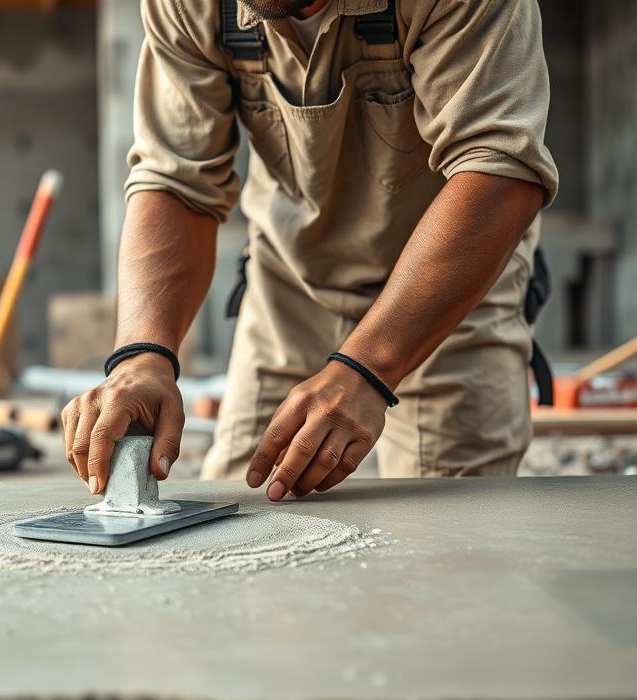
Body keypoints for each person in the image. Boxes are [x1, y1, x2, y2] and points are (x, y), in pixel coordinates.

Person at [62, 0, 558, 502]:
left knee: (447, 542)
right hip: (288, 287)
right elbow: (175, 179)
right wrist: (143, 357)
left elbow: (499, 166)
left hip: (448, 288)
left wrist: (366, 369)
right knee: (239, 515)